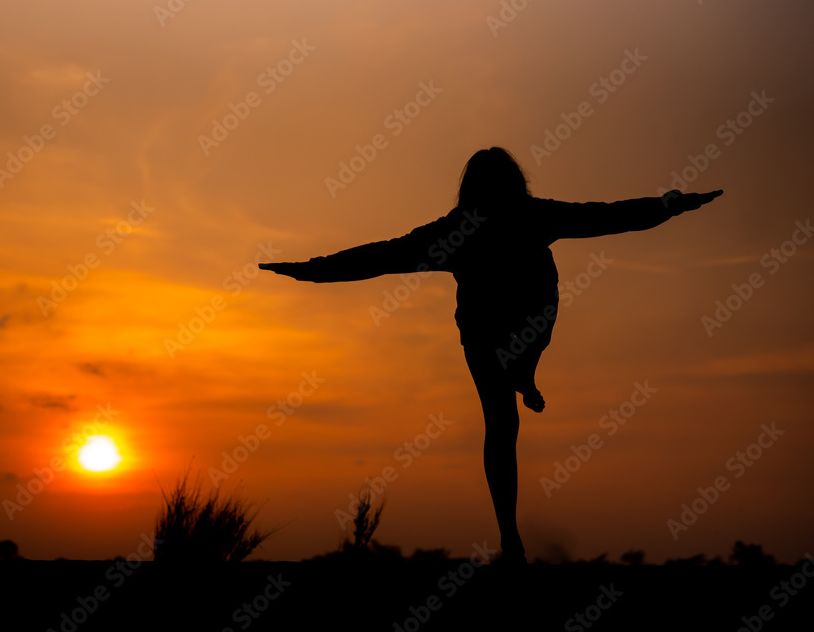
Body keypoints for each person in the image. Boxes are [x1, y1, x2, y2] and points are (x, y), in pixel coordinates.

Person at [260, 147, 722, 563]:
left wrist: (311, 271)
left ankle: (521, 402)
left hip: (491, 333)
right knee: (504, 417)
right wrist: (671, 205)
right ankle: (523, 398)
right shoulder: (521, 218)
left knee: (501, 425)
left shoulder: (467, 229)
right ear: (514, 182)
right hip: (515, 326)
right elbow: (608, 216)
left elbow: (379, 257)